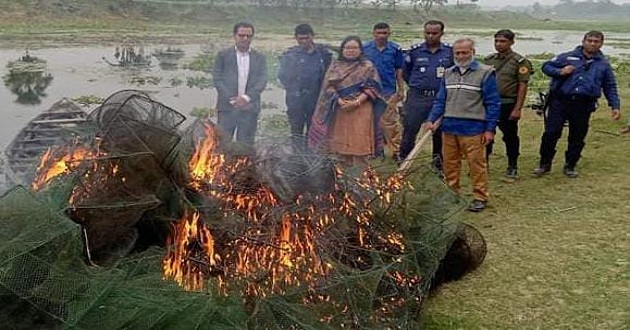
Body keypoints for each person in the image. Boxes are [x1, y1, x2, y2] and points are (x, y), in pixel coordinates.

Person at [424, 38, 501, 212]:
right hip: (449, 127)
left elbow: (493, 103)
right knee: (450, 164)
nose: (461, 56)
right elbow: (440, 100)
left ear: (473, 51)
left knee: (476, 165)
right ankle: (453, 194)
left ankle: (480, 197)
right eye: (457, 53)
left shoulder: (485, 73)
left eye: (464, 52)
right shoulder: (448, 73)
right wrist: (431, 119)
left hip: (473, 129)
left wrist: (490, 129)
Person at [532, 30, 621, 178]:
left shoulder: (603, 64)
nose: (592, 43)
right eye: (590, 40)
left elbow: (610, 85)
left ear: (601, 43)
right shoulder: (567, 57)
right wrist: (560, 71)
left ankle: (570, 165)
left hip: (583, 104)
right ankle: (544, 164)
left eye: (596, 41)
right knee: (551, 133)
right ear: (583, 41)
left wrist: (615, 106)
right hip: (560, 101)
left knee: (577, 136)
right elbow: (546, 66)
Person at [307, 36, 386, 168]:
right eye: (347, 47)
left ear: (360, 50)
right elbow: (328, 86)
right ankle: (341, 173)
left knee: (359, 140)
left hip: (361, 108)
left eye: (354, 48)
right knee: (340, 142)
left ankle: (363, 176)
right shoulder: (335, 66)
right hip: (340, 108)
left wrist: (357, 102)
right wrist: (338, 100)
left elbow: (373, 87)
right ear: (342, 50)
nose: (351, 50)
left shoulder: (367, 66)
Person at [401, 20, 453, 173]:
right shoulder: (415, 51)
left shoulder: (449, 52)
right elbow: (406, 73)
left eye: (434, 33)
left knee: (439, 134)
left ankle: (438, 166)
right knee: (410, 130)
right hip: (417, 98)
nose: (430, 36)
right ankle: (404, 161)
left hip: (439, 98)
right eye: (427, 33)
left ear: (442, 33)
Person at [483, 29, 533, 181]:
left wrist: (517, 108)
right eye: (496, 41)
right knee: (485, 135)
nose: (498, 44)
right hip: (489, 104)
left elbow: (522, 86)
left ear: (512, 42)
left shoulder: (520, 62)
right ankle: (483, 164)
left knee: (510, 136)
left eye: (503, 41)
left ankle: (512, 165)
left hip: (508, 104)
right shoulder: (489, 60)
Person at [212, 21, 268, 145]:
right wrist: (234, 100)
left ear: (252, 37)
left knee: (245, 146)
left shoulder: (260, 58)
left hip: (249, 108)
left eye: (248, 36)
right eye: (241, 35)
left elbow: (262, 80)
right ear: (234, 36)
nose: (245, 39)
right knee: (222, 144)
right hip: (227, 108)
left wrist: (246, 98)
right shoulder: (223, 56)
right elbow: (217, 79)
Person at [278, 24, 332, 149]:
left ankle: (311, 155)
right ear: (296, 38)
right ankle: (296, 155)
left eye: (307, 38)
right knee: (296, 129)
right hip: (296, 99)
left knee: (313, 129)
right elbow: (282, 76)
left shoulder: (323, 55)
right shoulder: (290, 55)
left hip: (316, 98)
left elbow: (329, 75)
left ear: (312, 37)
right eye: (301, 39)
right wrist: (293, 89)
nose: (304, 41)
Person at [362, 22, 405, 161]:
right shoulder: (365, 48)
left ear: (389, 33)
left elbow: (399, 70)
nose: (381, 36)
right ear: (373, 33)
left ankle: (396, 151)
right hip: (369, 91)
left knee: (390, 123)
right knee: (370, 121)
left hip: (388, 91)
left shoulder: (395, 49)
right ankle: (374, 150)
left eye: (384, 33)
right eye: (379, 33)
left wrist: (401, 89)